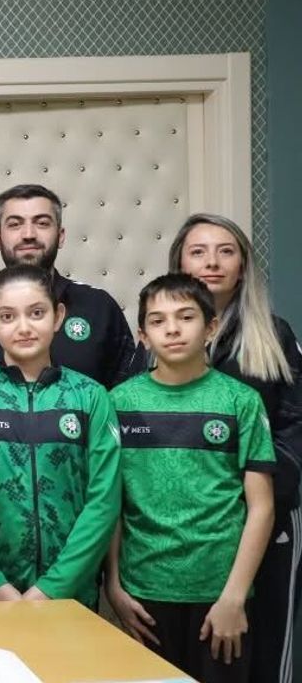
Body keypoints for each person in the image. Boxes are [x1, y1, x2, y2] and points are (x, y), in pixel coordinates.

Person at [107, 273, 275, 683]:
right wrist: (113, 587)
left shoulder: (241, 401)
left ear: (211, 327)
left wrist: (234, 598)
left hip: (219, 597)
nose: (172, 329)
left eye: (186, 317)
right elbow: (110, 504)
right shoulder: (118, 403)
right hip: (142, 595)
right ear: (143, 336)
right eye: (158, 321)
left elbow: (262, 507)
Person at [169, 214, 302, 683]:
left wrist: (258, 490)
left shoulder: (275, 334)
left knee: (265, 649)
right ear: (179, 265)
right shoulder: (161, 334)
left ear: (242, 267)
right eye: (198, 251)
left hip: (267, 515)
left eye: (225, 251)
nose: (212, 262)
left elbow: (295, 424)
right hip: (193, 524)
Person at [0, 264, 121, 609]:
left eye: (37, 313)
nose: (24, 327)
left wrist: (53, 588)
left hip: (70, 597)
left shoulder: (90, 397)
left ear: (58, 317)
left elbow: (103, 501)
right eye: (8, 316)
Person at [0, 184, 136, 388]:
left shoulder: (99, 306)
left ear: (61, 236)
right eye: (15, 224)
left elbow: (127, 395)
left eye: (42, 223)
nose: (28, 234)